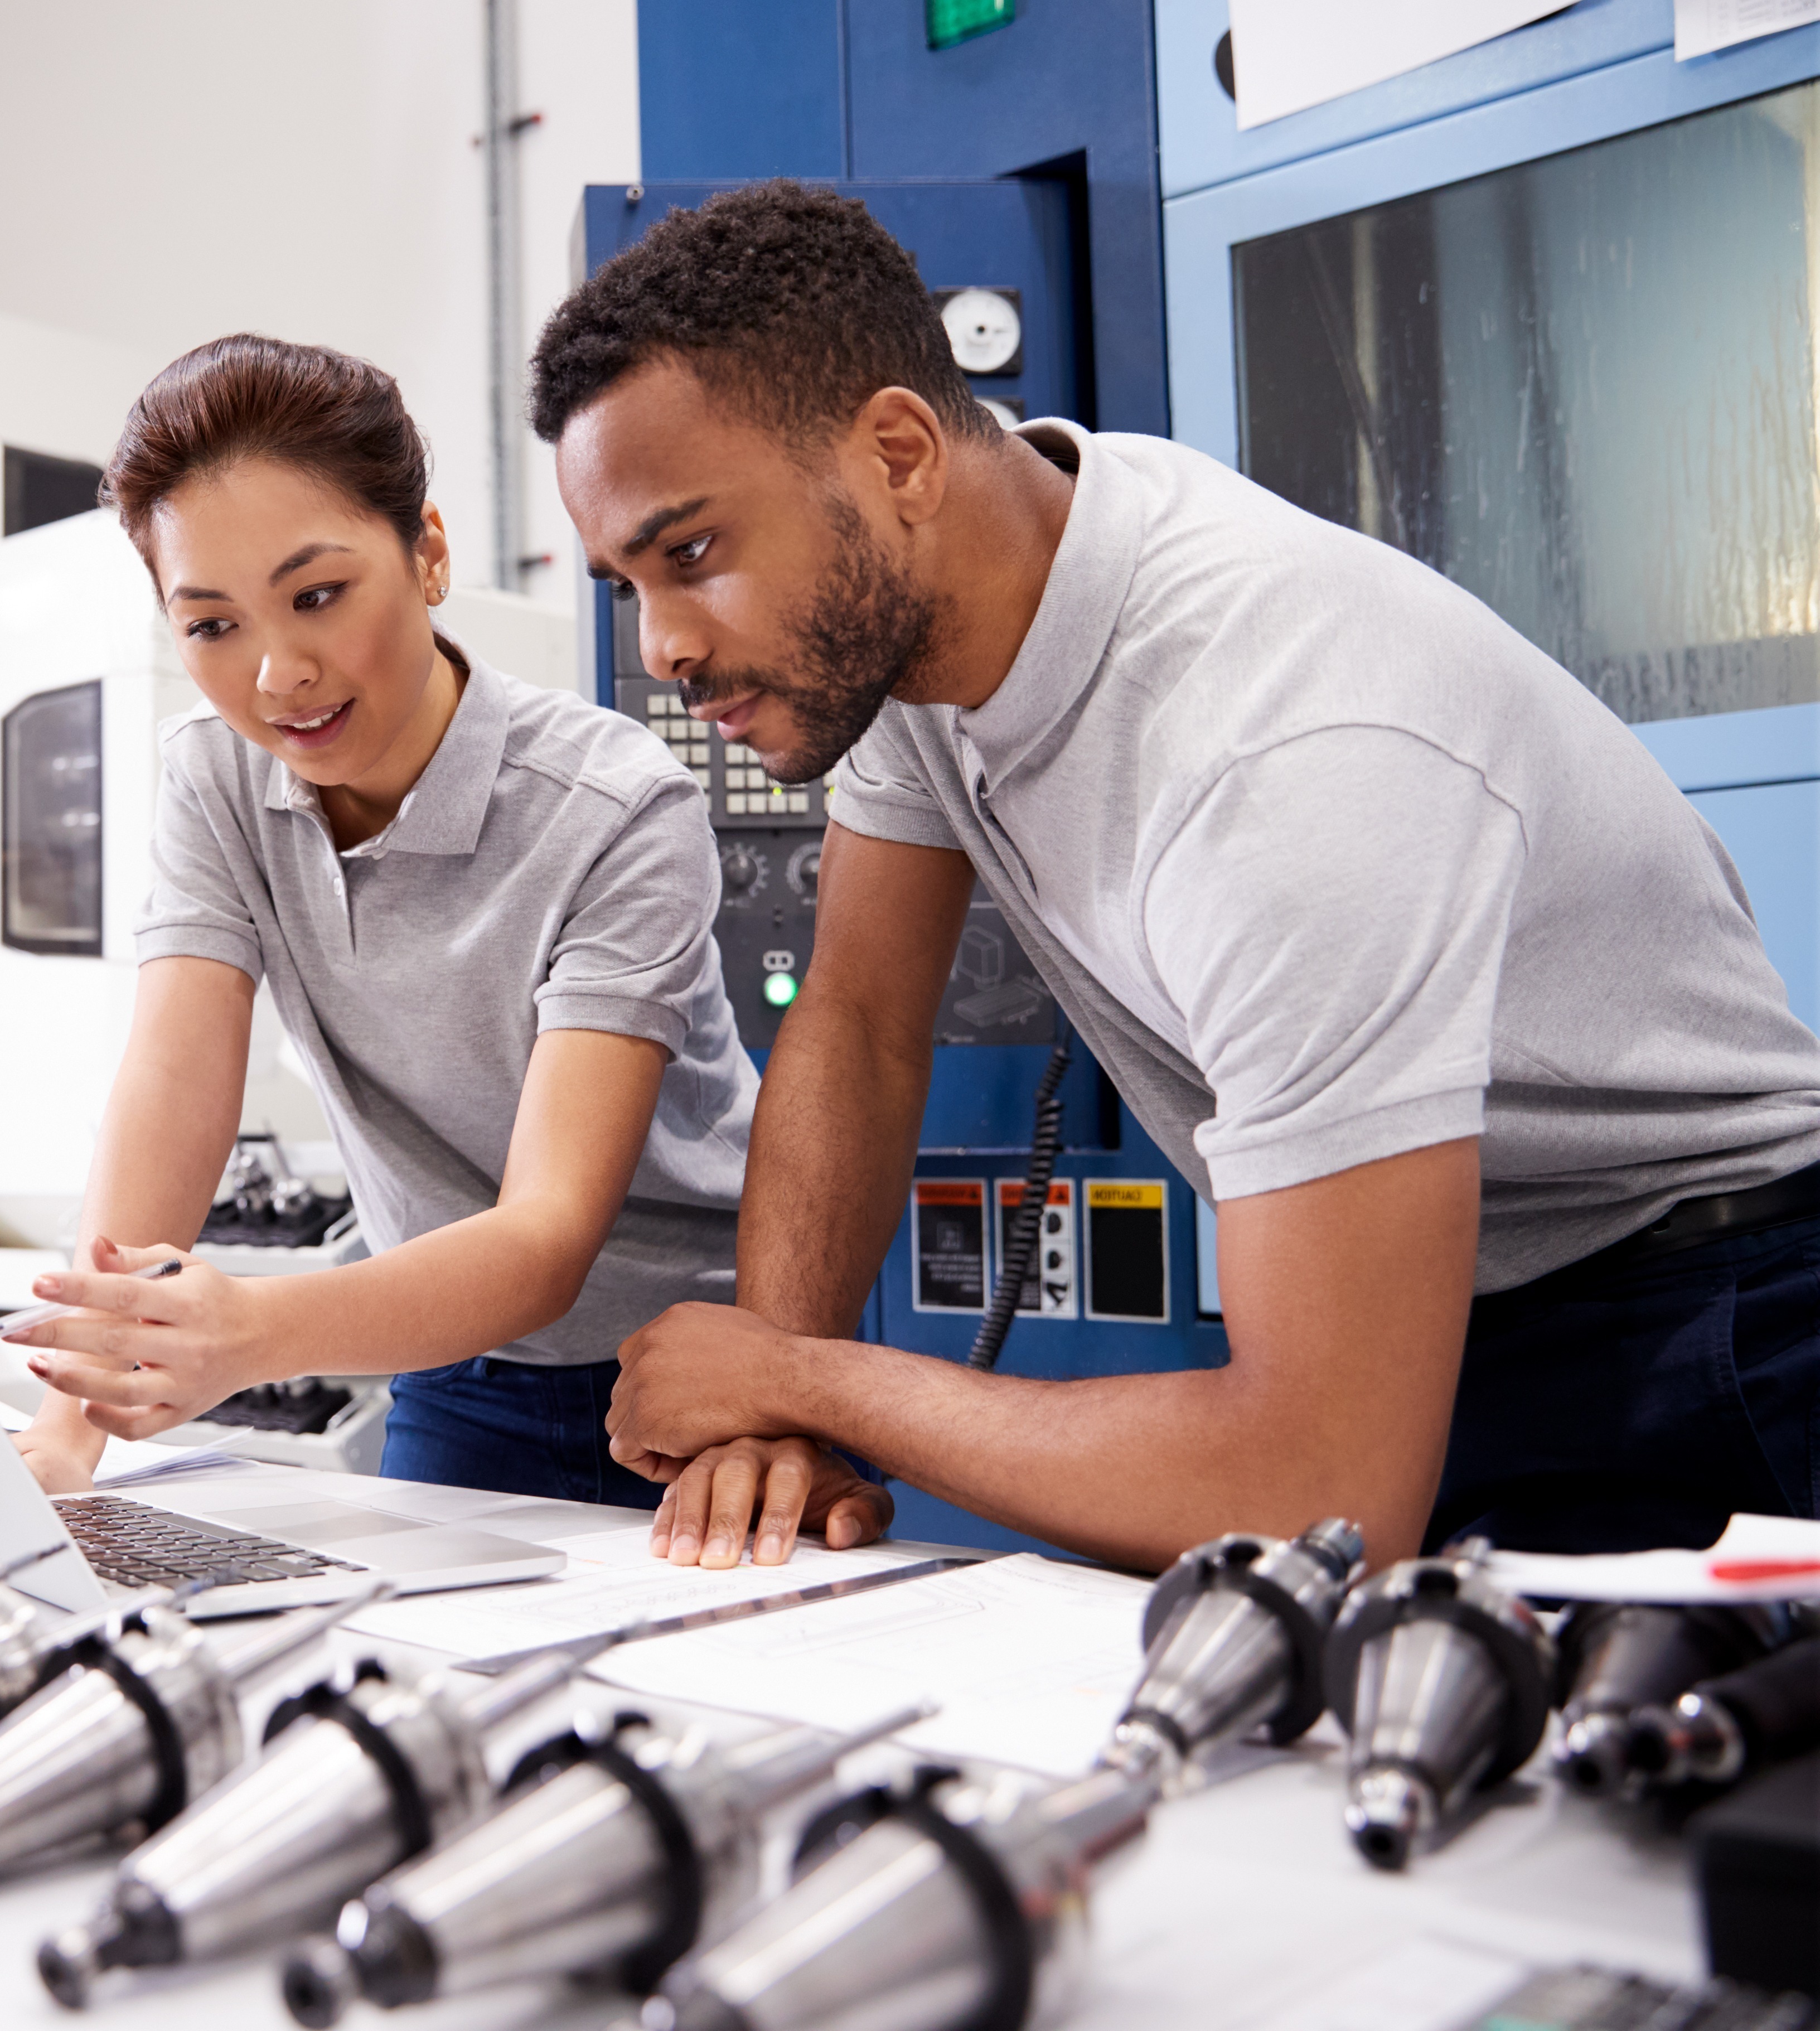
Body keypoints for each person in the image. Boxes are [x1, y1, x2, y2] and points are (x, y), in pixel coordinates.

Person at [525, 182, 1820, 1571]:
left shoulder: (1283, 752)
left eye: (693, 553)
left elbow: (1315, 1490)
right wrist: (765, 1412)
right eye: (624, 583)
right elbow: (855, 1019)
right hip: (1462, 1319)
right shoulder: (925, 627)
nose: (661, 646)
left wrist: (801, 1385)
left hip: (1712, 1340)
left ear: (897, 456)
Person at [0, 332, 883, 1548]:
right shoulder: (217, 782)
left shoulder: (614, 804)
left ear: (426, 553)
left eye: (318, 595)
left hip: (701, 1377)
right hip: (454, 1370)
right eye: (211, 625)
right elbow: (174, 1081)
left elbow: (546, 1236)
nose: (280, 673)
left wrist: (255, 1333)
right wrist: (73, 1430)